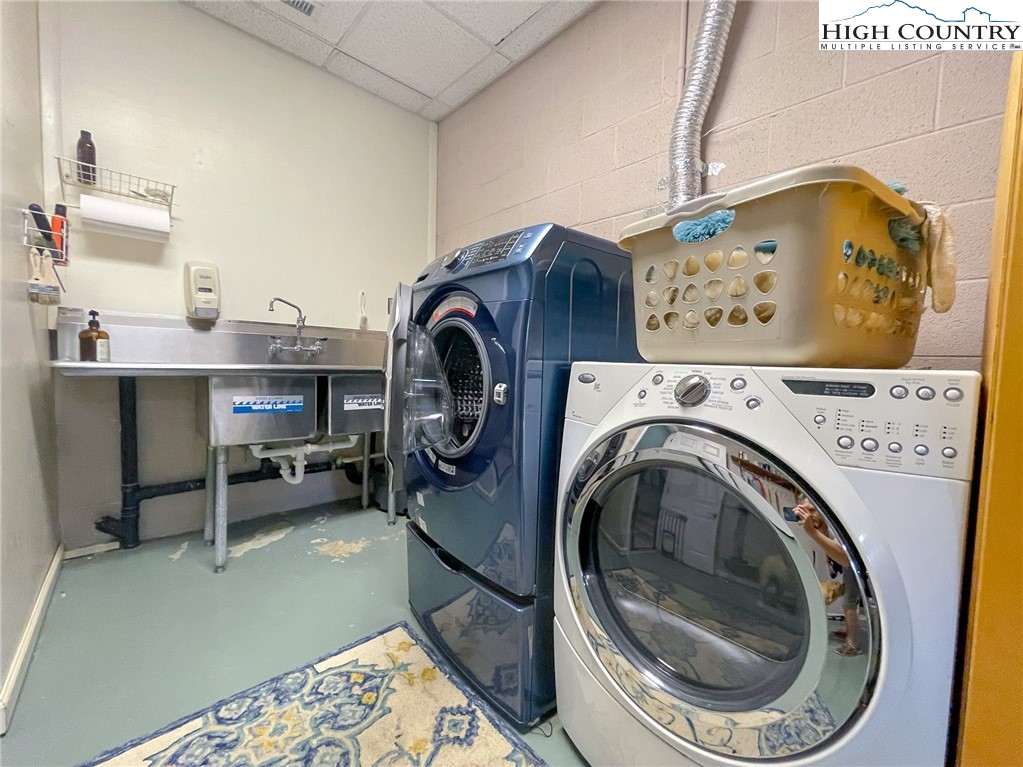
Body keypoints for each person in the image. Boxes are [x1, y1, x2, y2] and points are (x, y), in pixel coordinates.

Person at [793, 499, 862, 656]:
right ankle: (848, 629)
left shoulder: (838, 522)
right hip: (850, 563)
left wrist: (811, 532)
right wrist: (828, 561)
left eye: (812, 510)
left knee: (849, 601)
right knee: (849, 599)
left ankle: (852, 644)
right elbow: (828, 542)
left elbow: (845, 558)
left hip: (855, 564)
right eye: (804, 510)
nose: (809, 515)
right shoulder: (825, 523)